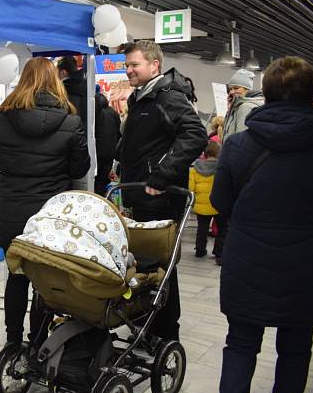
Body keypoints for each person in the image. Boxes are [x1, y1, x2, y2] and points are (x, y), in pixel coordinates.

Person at [210, 57, 313, 393]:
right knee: (295, 349)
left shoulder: (239, 145)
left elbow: (221, 201)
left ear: (266, 94)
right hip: (306, 265)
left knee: (240, 345)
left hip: (247, 260)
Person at [0, 57, 90, 348]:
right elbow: (79, 169)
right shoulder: (70, 120)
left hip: (13, 211)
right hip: (50, 215)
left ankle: (12, 343)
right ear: (56, 80)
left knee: (16, 278)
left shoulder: (2, 116)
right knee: (46, 284)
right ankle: (38, 342)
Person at [117, 40, 207, 341]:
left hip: (159, 196)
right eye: (127, 65)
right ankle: (146, 326)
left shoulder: (167, 97)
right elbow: (148, 140)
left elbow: (195, 135)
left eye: (134, 65)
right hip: (137, 193)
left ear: (154, 65)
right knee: (144, 265)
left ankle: (167, 332)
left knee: (161, 266)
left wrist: (162, 175)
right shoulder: (141, 97)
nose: (129, 69)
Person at [189, 141, 226, 263]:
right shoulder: (221, 168)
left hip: (201, 204)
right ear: (218, 153)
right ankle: (219, 253)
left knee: (202, 228)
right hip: (218, 203)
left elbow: (191, 188)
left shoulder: (194, 169)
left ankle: (200, 250)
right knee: (222, 229)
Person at [223, 69, 263, 138]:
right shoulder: (241, 106)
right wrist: (230, 109)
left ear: (247, 89)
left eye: (236, 88)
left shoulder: (246, 107)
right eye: (230, 89)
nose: (232, 92)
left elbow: (241, 140)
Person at [94, 91, 121, 195]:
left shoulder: (95, 114)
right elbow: (119, 132)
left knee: (95, 179)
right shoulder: (113, 112)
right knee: (103, 178)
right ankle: (103, 196)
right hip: (110, 151)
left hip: (97, 151)